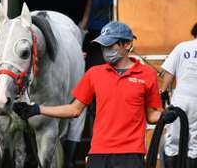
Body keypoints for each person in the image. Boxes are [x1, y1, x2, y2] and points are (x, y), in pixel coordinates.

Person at [13, 21, 177, 168]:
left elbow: (152, 115)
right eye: (103, 46)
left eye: (110, 46)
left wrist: (166, 115)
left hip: (131, 154)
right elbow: (74, 110)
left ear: (127, 44)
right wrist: (37, 109)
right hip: (99, 153)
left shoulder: (147, 75)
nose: (106, 51)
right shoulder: (94, 74)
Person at [161, 22, 197, 168]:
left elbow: (169, 73)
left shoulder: (182, 47)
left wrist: (163, 91)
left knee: (173, 141)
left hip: (180, 98)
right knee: (194, 144)